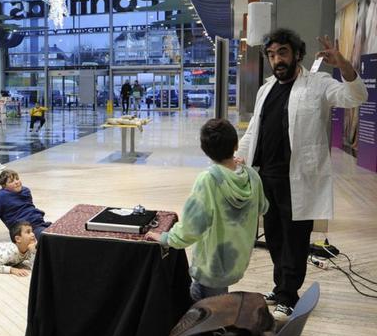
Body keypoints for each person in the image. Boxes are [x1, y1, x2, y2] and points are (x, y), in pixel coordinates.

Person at [237, 29, 367, 320]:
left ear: (297, 54)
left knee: (295, 240)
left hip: (299, 179)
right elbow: (253, 131)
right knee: (273, 238)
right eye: (271, 55)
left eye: (282, 52)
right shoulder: (266, 88)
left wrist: (342, 63)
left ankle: (288, 295)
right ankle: (280, 286)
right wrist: (238, 158)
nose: (277, 60)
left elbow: (357, 95)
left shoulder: (318, 83)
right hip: (266, 177)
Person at [145, 119, 269, 301]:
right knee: (212, 302)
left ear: (205, 150)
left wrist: (165, 238)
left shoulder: (208, 180)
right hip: (237, 259)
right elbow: (263, 207)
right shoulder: (251, 175)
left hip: (211, 265)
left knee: (208, 313)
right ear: (236, 145)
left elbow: (190, 228)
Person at [0, 169, 51, 239]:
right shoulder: (0, 197)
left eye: (17, 178)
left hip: (38, 223)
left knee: (59, 232)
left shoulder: (25, 190)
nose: (16, 182)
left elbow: (29, 208)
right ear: (4, 186)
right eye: (11, 181)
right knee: (50, 239)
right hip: (24, 230)